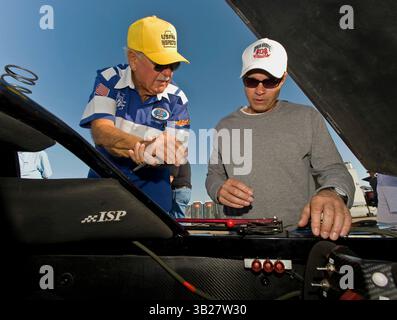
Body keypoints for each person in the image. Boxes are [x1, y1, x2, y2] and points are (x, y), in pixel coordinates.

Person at [205, 38, 355, 240]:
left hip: (299, 236)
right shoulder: (224, 126)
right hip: (240, 236)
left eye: (270, 82)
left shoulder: (307, 117)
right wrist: (218, 189)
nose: (259, 90)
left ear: (283, 79)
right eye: (251, 81)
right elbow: (213, 174)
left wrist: (332, 194)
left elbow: (334, 169)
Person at [80, 16, 190, 213]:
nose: (168, 74)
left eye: (173, 65)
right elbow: (101, 132)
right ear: (133, 59)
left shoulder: (178, 98)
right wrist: (143, 146)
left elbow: (179, 149)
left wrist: (169, 149)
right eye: (159, 64)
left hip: (154, 184)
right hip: (106, 174)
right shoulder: (108, 79)